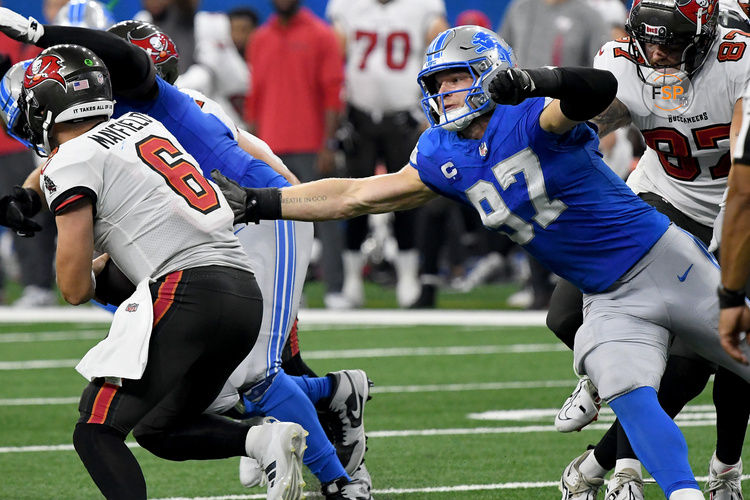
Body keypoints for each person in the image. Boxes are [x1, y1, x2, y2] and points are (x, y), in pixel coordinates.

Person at [211, 24, 750, 500]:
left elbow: (601, 89)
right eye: (438, 82)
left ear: (493, 74)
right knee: (628, 392)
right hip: (605, 298)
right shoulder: (441, 153)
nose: (444, 91)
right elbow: (357, 194)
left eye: (456, 77)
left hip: (663, 260)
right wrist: (262, 202)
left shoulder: (532, 116)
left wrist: (536, 80)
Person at [0, 12, 372, 498]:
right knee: (187, 408)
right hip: (220, 242)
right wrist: (32, 196)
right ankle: (290, 421)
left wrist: (39, 33)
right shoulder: (131, 123)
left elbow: (72, 247)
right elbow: (71, 166)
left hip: (260, 215)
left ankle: (341, 481)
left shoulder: (151, 104)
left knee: (252, 378)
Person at [545, 0, 750, 496]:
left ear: (705, 38)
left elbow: (743, 187)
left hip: (736, 205)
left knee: (702, 359)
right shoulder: (619, 60)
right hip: (660, 196)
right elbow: (577, 130)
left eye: (674, 41)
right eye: (650, 40)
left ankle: (710, 469)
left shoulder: (737, 62)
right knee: (564, 312)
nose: (658, 54)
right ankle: (601, 379)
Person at [324, 0, 449, 308]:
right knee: (354, 196)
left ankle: (407, 276)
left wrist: (430, 108)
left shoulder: (423, 7)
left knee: (406, 196)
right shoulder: (347, 6)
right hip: (359, 116)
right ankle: (353, 279)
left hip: (403, 116)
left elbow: (442, 52)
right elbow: (332, 54)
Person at [499, 0, 612, 310]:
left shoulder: (589, 15)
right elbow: (500, 60)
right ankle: (536, 283)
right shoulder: (519, 10)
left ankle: (577, 281)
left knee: (571, 200)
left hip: (567, 118)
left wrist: (605, 123)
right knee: (526, 198)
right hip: (520, 119)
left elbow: (605, 72)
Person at [245, 0, 348, 309]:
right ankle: (288, 291)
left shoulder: (322, 35)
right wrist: (251, 146)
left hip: (311, 145)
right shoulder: (260, 38)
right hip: (270, 146)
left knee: (326, 218)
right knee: (273, 226)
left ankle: (336, 289)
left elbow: (333, 92)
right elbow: (254, 97)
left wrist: (328, 144)